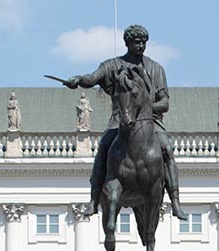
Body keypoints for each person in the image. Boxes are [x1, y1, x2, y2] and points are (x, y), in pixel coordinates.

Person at [63, 24, 187, 221]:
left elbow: (164, 103)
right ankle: (94, 200)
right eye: (137, 42)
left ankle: (175, 202)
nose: (141, 46)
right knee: (103, 147)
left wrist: (145, 109)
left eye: (143, 42)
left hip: (150, 122)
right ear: (127, 43)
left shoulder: (156, 69)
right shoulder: (112, 65)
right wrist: (78, 79)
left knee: (167, 150)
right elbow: (92, 78)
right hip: (120, 120)